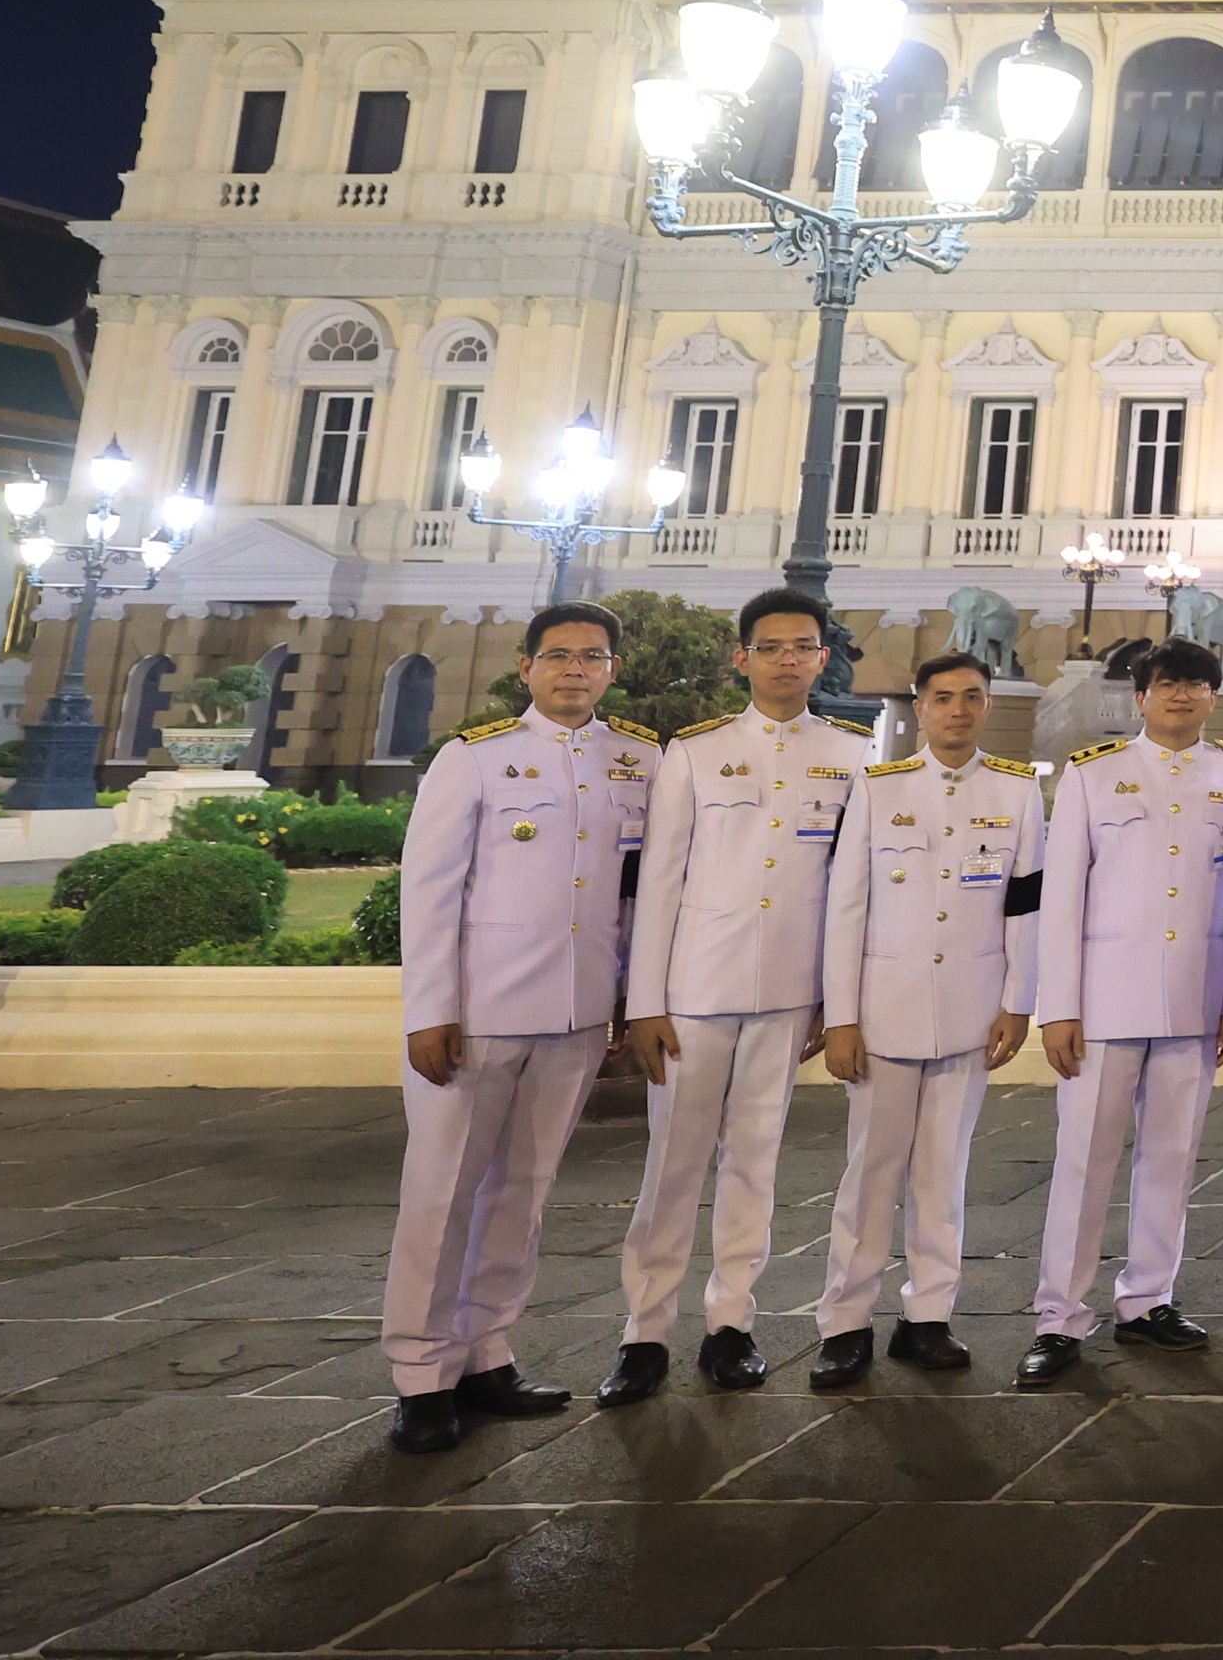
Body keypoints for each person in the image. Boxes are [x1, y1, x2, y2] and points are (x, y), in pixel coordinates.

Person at [378, 602, 658, 1452]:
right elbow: (427, 893)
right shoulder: (475, 758)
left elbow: (636, 896)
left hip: (574, 1014)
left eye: (593, 658)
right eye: (559, 656)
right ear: (527, 668)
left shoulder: (638, 760)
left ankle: (488, 1350)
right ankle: (423, 1373)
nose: (576, 670)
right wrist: (430, 1011)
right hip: (479, 1014)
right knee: (442, 1194)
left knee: (523, 1195)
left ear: (612, 670)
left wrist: (625, 997)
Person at [606, 587, 877, 1402]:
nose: (787, 659)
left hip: (789, 991)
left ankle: (730, 1323)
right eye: (771, 646)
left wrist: (838, 999)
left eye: (803, 646)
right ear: (743, 659)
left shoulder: (853, 756)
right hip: (696, 988)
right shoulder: (694, 752)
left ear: (823, 659)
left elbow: (851, 889)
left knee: (754, 1163)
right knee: (673, 1165)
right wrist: (645, 1000)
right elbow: (658, 886)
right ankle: (645, 1332)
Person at [809, 650, 1042, 1388]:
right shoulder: (878, 788)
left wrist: (1018, 1000)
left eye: (972, 698)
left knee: (945, 1172)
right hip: (884, 1012)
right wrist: (841, 1017)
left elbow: (1024, 906)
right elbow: (845, 909)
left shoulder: (1017, 792)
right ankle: (845, 1323)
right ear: (919, 705)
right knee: (870, 1174)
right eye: (943, 698)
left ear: (987, 706)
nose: (959, 711)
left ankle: (929, 1316)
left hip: (970, 1011)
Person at [1023, 637, 1223, 1387]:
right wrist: (1057, 1006)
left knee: (1173, 1155)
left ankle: (1148, 1296)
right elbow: (1060, 901)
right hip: (1104, 1000)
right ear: (1142, 697)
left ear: (1213, 697)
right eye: (1166, 685)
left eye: (1194, 685)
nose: (1180, 696)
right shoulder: (1096, 777)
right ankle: (1060, 1315)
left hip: (1195, 995)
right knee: (1084, 1158)